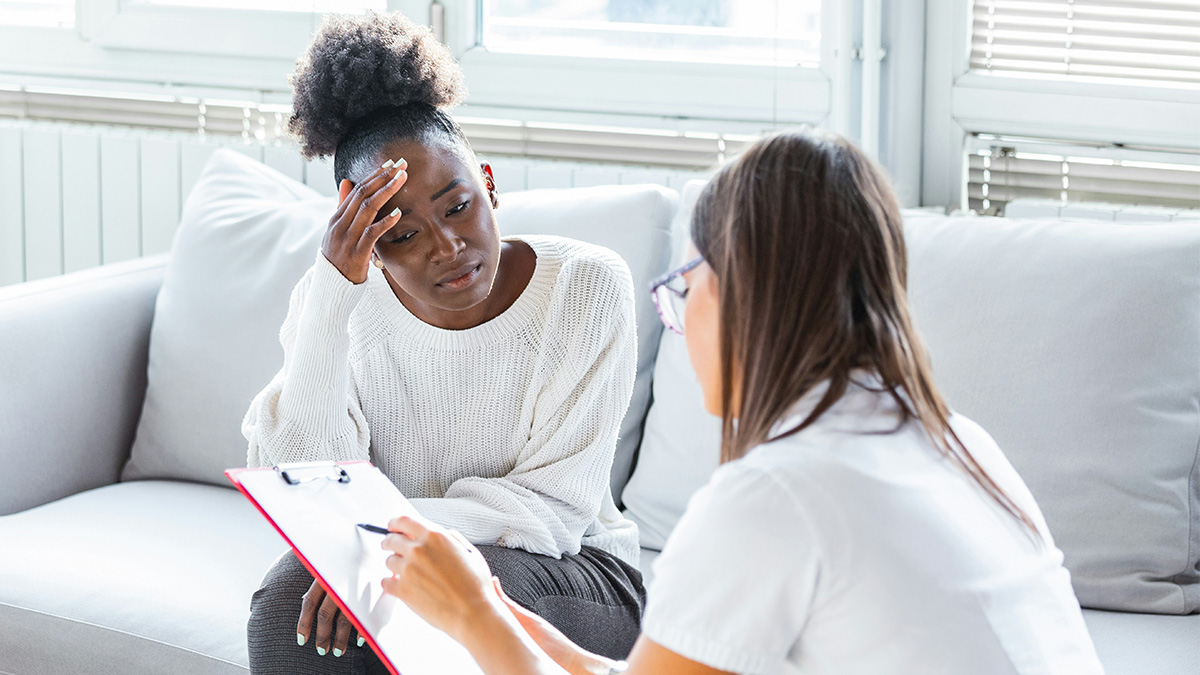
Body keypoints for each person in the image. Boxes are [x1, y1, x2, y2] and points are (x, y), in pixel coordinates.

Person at [375, 128, 1106, 674]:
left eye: (686, 290)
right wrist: (511, 618)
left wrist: (471, 617)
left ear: (738, 293)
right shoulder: (961, 446)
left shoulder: (775, 496)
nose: (683, 314)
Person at [241, 11, 644, 674]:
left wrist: (374, 545)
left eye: (458, 206)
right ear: (363, 229)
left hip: (575, 568)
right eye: (402, 234)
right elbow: (310, 478)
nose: (447, 247)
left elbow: (553, 508)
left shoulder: (584, 286)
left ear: (486, 181)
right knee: (294, 603)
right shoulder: (335, 305)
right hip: (405, 554)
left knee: (463, 590)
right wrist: (333, 290)